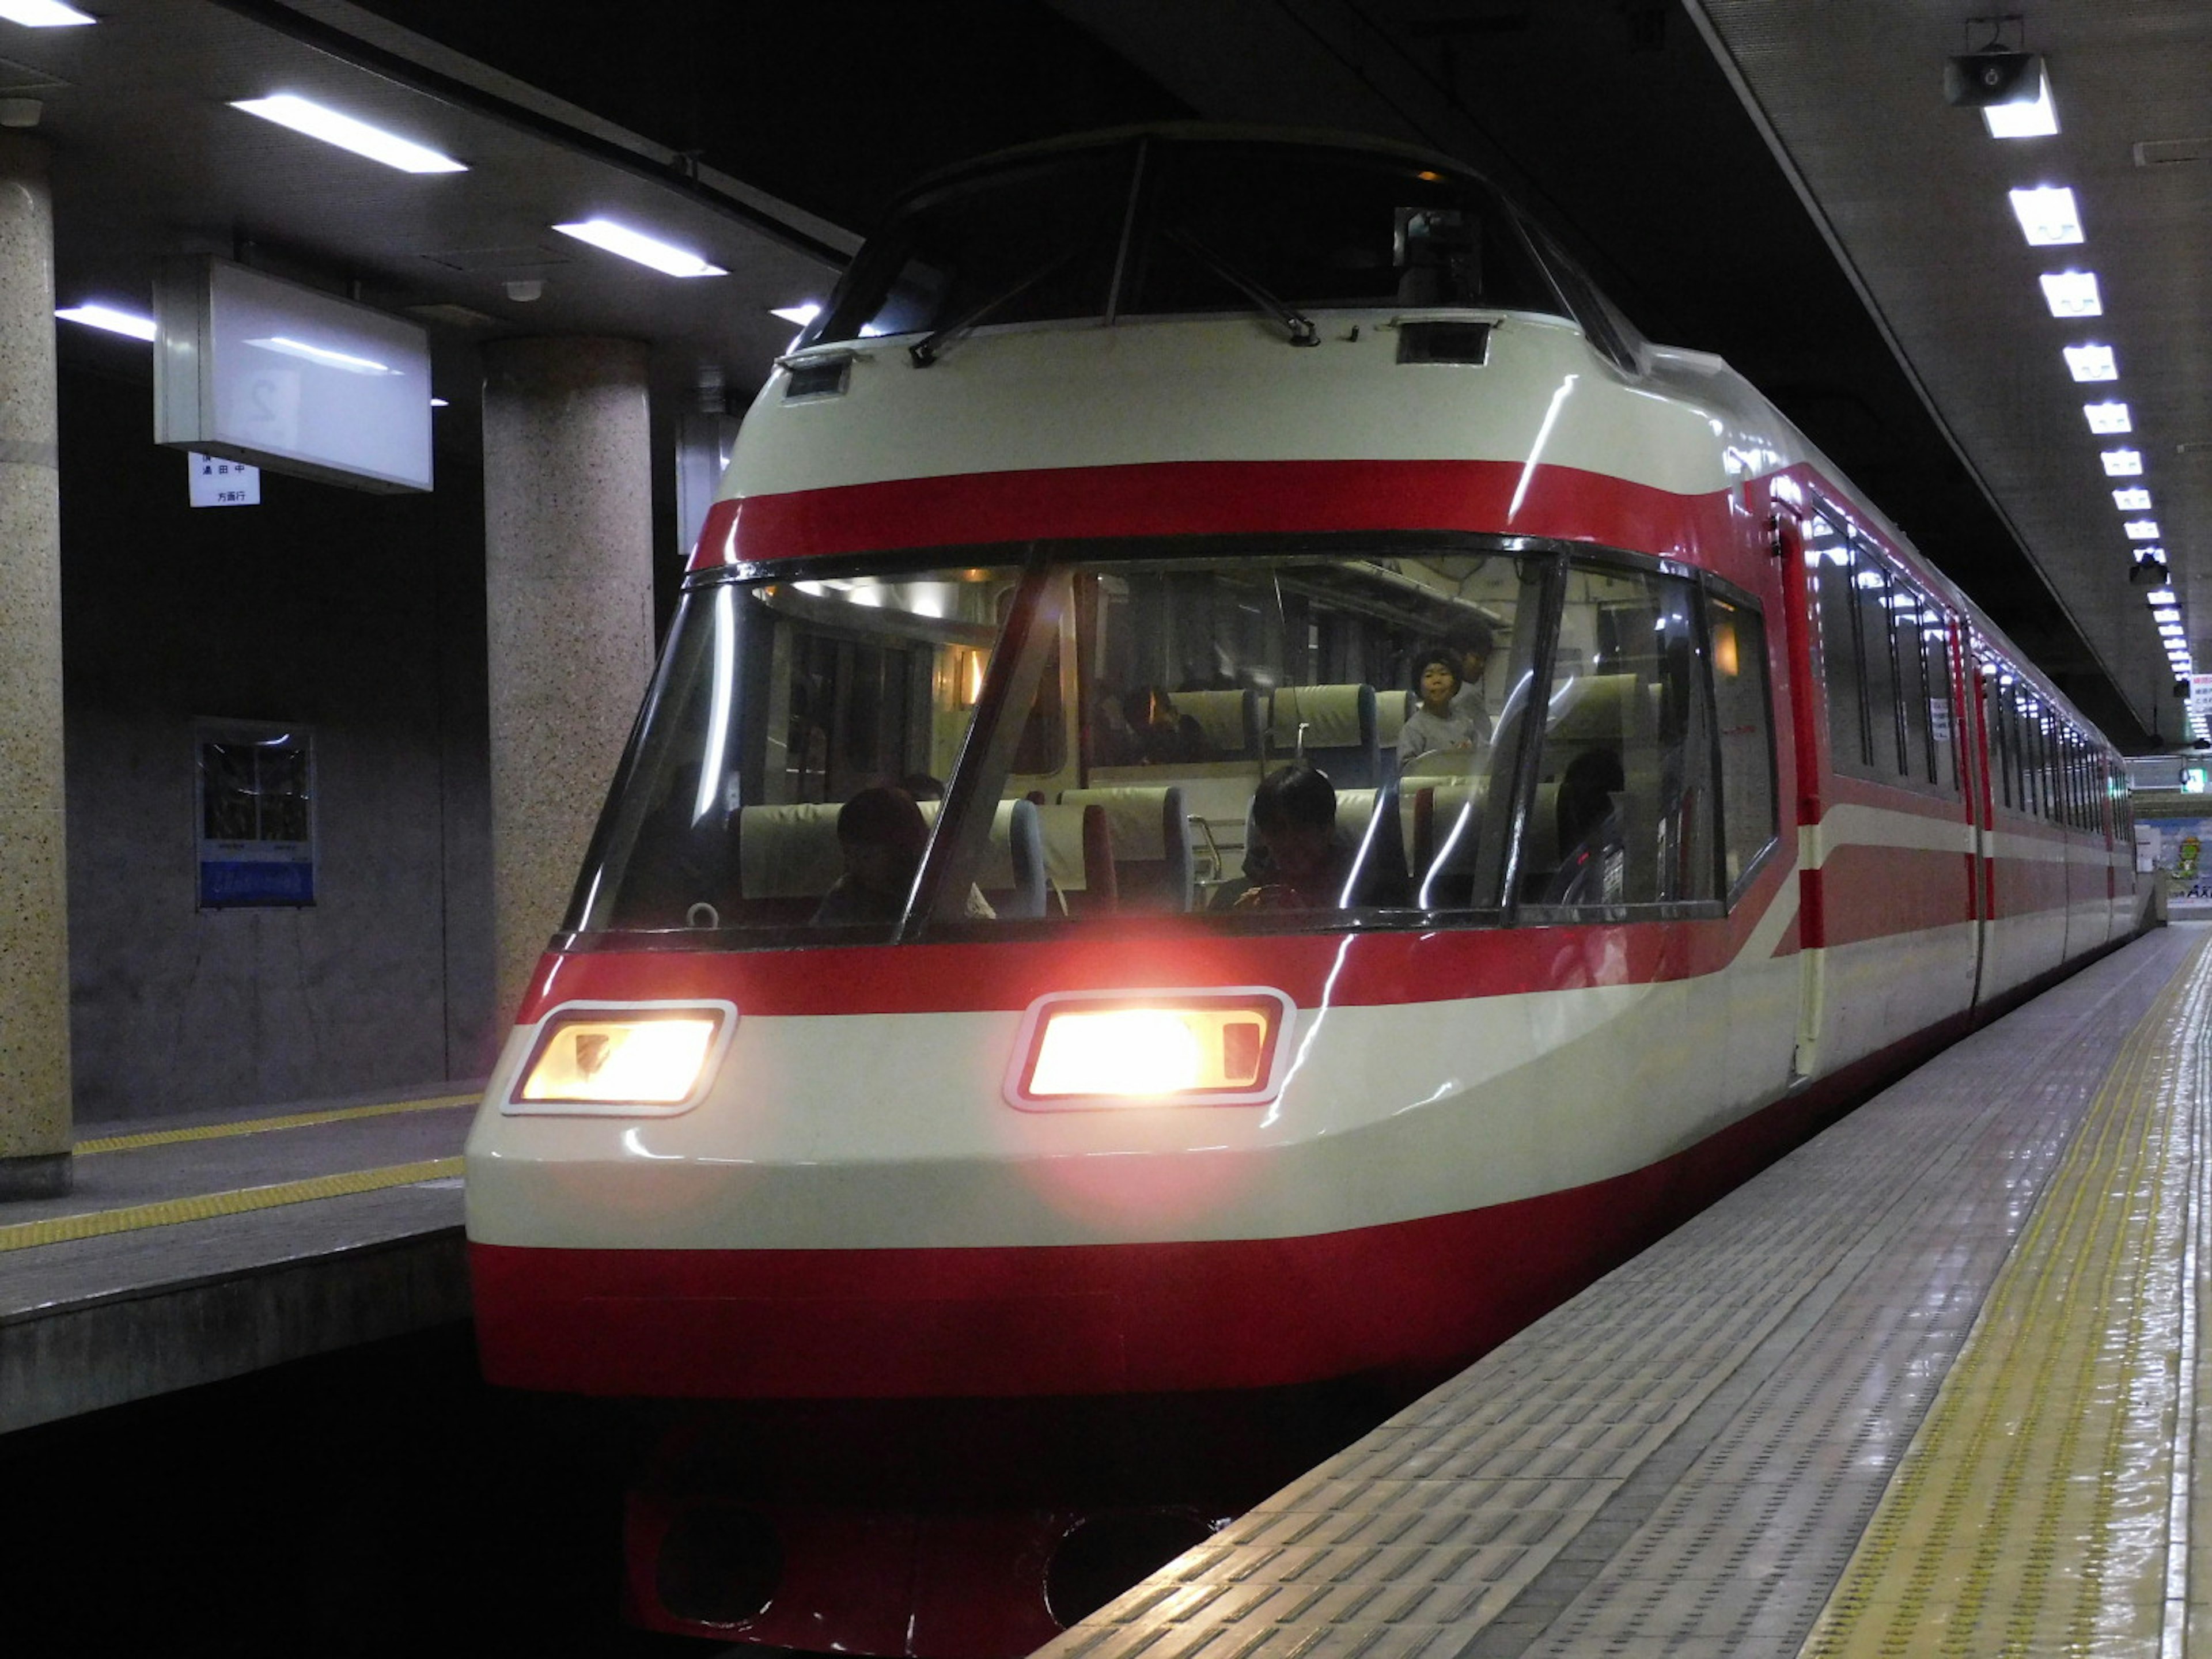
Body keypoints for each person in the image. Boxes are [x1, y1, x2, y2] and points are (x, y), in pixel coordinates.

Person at [1214, 763, 1345, 911]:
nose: (1289, 842)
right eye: (1276, 830)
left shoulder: (1360, 895)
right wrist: (1237, 924)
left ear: (1328, 829)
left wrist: (1311, 920)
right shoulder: (1231, 897)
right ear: (1262, 835)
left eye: (1301, 828)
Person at [811, 786, 928, 926]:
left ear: (902, 850)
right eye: (848, 854)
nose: (854, 865)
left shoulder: (934, 895)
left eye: (867, 856)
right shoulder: (846, 896)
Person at [1398, 650, 1481, 765]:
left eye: (1443, 674)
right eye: (1429, 675)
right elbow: (1407, 773)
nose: (1437, 681)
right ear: (1419, 685)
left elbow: (1483, 758)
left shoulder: (1466, 724)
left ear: (1455, 683)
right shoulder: (1414, 729)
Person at [1449, 622, 1495, 736]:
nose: (1482, 665)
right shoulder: (1468, 696)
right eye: (1478, 658)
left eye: (1485, 659)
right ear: (1457, 655)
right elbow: (1484, 742)